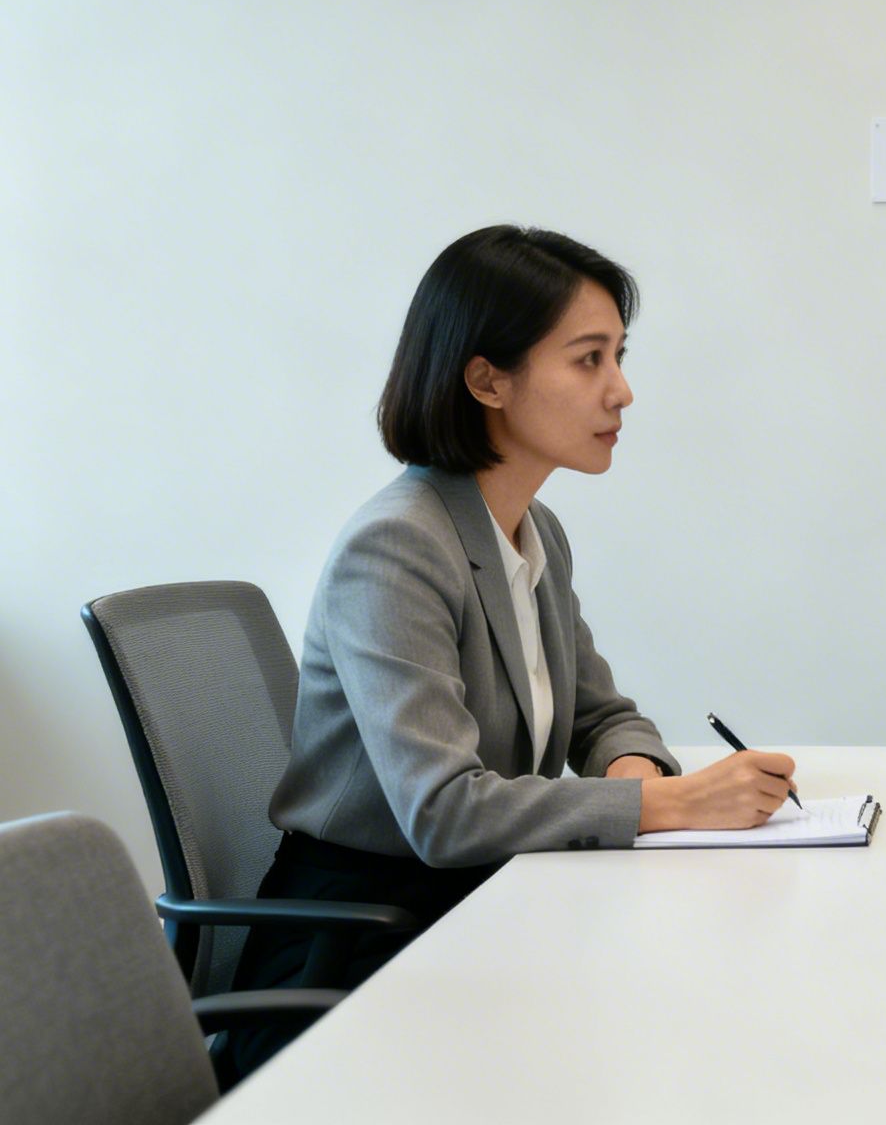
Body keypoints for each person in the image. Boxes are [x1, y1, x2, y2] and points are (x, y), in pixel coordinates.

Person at [230, 225, 796, 1076]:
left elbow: (602, 715)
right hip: (358, 955)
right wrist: (670, 807)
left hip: (474, 907)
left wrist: (634, 771)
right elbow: (443, 811)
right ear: (488, 379)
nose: (623, 391)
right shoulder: (394, 548)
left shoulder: (533, 532)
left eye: (619, 355)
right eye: (588, 359)